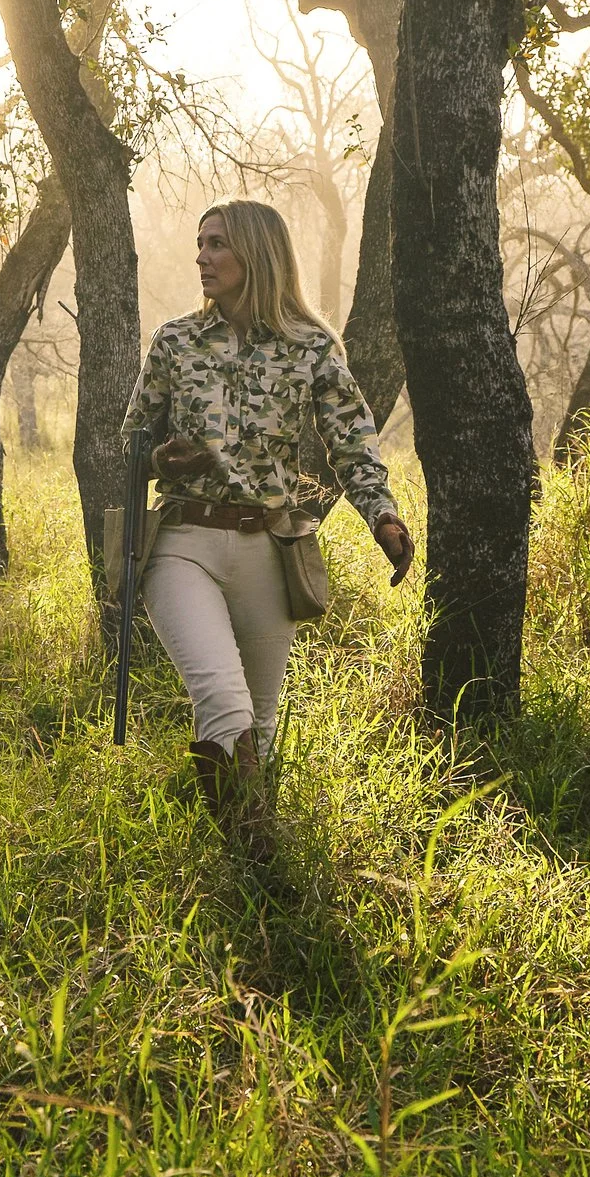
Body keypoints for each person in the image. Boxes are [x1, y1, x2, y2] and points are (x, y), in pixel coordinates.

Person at [123, 199, 414, 841]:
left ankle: (244, 872)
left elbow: (352, 444)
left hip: (268, 544)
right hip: (183, 542)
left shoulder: (311, 347)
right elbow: (130, 443)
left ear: (255, 252)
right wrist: (158, 455)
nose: (202, 257)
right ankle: (258, 846)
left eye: (217, 244)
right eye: (200, 244)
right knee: (223, 704)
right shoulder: (174, 342)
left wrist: (383, 517)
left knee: (261, 722)